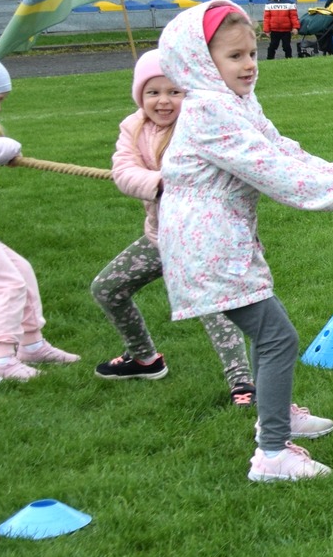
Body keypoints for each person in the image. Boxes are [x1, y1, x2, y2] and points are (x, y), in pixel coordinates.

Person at [156, 1, 333, 481]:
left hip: (224, 240)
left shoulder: (234, 103)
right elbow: (273, 172)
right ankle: (272, 453)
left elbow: (280, 149)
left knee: (267, 334)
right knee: (278, 337)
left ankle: (274, 414)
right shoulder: (209, 109)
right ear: (199, 62)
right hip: (208, 247)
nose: (249, 65)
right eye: (234, 56)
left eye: (252, 54)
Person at [91, 50, 254, 399]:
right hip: (160, 237)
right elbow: (123, 170)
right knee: (107, 288)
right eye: (153, 92)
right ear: (140, 95)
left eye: (173, 92)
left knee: (212, 305)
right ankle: (144, 358)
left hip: (204, 240)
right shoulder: (133, 127)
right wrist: (161, 182)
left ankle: (242, 382)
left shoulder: (200, 125)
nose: (163, 101)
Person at [0, 39, 79, 383]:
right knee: (7, 285)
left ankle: (31, 344)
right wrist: (9, 147)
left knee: (21, 269)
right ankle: (1, 362)